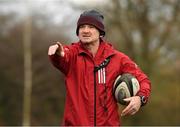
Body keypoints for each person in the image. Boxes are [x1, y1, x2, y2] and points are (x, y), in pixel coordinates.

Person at [48, 10, 151, 126]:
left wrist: (139, 98)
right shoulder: (72, 55)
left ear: (100, 32)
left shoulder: (118, 58)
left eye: (91, 27)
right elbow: (62, 57)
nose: (86, 30)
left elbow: (143, 80)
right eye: (82, 27)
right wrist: (57, 54)